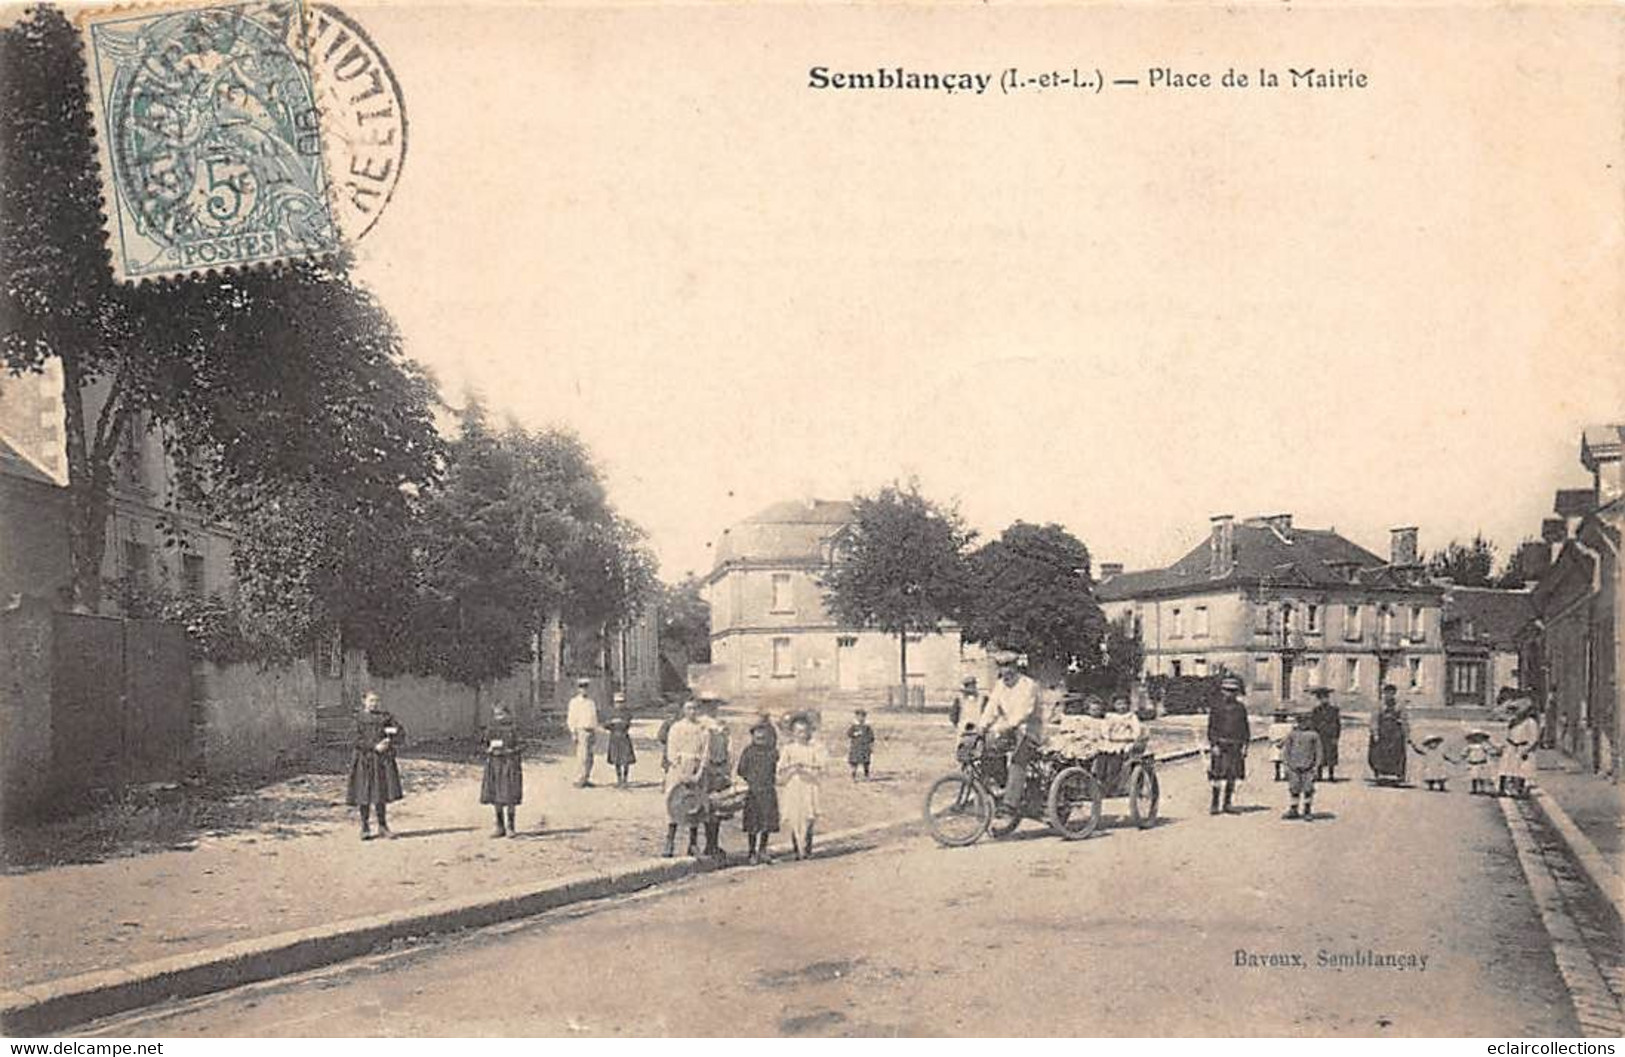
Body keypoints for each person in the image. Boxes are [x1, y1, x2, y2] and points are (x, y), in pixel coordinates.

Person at [981, 650, 1043, 809]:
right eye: (1001, 667)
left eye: (1008, 666)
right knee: (987, 750)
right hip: (1009, 732)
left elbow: (1024, 713)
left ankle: (1010, 803)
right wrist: (982, 726)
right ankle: (1000, 788)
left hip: (1029, 732)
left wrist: (1003, 727)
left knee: (1018, 760)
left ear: (1016, 666)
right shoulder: (1000, 685)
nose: (1004, 671)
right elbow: (991, 708)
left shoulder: (1028, 685)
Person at [347, 690, 404, 840]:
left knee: (380, 793)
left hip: (381, 761)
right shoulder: (358, 718)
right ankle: (365, 827)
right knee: (363, 793)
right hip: (364, 759)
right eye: (371, 701)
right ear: (364, 701)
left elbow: (400, 732)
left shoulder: (385, 717)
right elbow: (354, 739)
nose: (374, 704)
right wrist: (373, 746)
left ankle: (383, 826)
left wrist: (390, 739)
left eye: (376, 701)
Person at [661, 698, 707, 857]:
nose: (692, 712)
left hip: (695, 768)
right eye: (688, 708)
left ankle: (693, 844)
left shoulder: (702, 729)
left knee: (694, 805)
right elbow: (671, 752)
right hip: (678, 768)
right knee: (674, 803)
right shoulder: (676, 728)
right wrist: (680, 773)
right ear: (683, 710)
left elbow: (705, 753)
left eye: (695, 708)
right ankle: (669, 842)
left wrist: (698, 773)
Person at [779, 713, 827, 859]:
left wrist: (806, 768)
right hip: (794, 785)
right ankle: (797, 849)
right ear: (792, 733)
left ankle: (807, 848)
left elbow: (821, 767)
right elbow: (781, 768)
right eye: (798, 732)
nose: (802, 735)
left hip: (809, 785)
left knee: (808, 815)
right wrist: (792, 768)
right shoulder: (788, 749)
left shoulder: (814, 748)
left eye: (804, 731)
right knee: (795, 815)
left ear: (809, 731)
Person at [1206, 675, 1251, 815]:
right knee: (1217, 775)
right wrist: (1214, 745)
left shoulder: (1240, 708)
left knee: (1232, 775)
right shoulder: (1216, 707)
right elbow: (1211, 728)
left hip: (1235, 745)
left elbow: (1245, 728)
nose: (1229, 693)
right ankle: (1214, 804)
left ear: (1237, 692)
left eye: (1233, 691)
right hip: (1220, 744)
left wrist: (1245, 746)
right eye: (1226, 690)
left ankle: (1227, 803)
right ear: (1222, 691)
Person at [736, 722, 780, 864]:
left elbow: (778, 769)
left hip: (768, 791)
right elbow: (741, 770)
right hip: (753, 792)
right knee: (752, 824)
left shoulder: (772, 752)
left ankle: (763, 850)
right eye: (757, 733)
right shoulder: (748, 751)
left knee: (766, 822)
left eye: (763, 733)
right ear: (752, 735)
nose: (760, 736)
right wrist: (750, 780)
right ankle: (751, 852)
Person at [479, 703, 523, 837]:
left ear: (508, 714)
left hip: (509, 764)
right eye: (497, 715)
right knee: (496, 795)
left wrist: (510, 751)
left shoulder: (514, 729)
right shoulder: (491, 729)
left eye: (502, 714)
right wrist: (489, 750)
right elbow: (483, 744)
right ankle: (499, 826)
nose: (499, 718)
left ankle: (511, 826)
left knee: (509, 795)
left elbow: (522, 745)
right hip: (495, 764)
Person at [698, 692, 732, 859]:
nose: (712, 708)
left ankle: (714, 843)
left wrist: (727, 769)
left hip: (720, 767)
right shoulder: (701, 724)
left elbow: (727, 748)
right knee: (706, 807)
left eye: (714, 704)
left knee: (719, 808)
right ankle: (705, 844)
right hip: (707, 768)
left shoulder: (722, 725)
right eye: (708, 704)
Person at [1280, 709, 1325, 820]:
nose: (1303, 724)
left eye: (1305, 722)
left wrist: (1316, 766)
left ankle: (1307, 810)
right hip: (1294, 767)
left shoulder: (1314, 735)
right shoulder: (1292, 735)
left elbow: (1319, 752)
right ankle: (1293, 809)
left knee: (1308, 789)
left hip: (1308, 767)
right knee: (1294, 788)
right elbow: (1286, 751)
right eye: (1300, 722)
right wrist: (1286, 765)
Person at [1367, 685, 1409, 783]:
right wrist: (1375, 733)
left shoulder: (1399, 705)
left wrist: (1406, 734)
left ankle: (1398, 774)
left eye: (1391, 693)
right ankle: (1378, 772)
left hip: (1394, 732)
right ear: (1384, 694)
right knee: (1378, 752)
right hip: (1382, 732)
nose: (1389, 696)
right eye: (1387, 693)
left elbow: (1404, 720)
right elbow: (1374, 720)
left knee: (1397, 752)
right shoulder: (1378, 705)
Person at [1501, 702, 1541, 798]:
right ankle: (1505, 789)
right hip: (1511, 747)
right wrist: (1505, 745)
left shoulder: (1530, 722)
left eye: (1517, 710)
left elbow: (1534, 738)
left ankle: (1521, 789)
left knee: (1523, 770)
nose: (1515, 713)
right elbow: (1508, 735)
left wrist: (1527, 749)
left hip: (1523, 748)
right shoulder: (1513, 721)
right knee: (1507, 768)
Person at [566, 677, 600, 788]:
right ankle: (579, 779)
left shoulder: (591, 702)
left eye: (586, 688)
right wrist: (573, 732)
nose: (584, 690)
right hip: (581, 730)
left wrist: (595, 731)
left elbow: (594, 717)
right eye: (582, 688)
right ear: (578, 689)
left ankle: (586, 778)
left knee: (590, 757)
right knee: (582, 756)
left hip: (591, 730)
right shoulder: (574, 702)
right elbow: (571, 718)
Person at [1309, 687, 1342, 781]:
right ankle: (1319, 775)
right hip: (1319, 735)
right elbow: (1313, 723)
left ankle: (1331, 775)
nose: (1324, 700)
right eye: (1322, 698)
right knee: (1319, 754)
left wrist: (1336, 736)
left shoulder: (1334, 710)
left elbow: (1337, 723)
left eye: (1326, 697)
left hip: (1330, 735)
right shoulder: (1316, 710)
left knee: (1331, 754)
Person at [604, 693, 636, 788]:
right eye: (617, 702)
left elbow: (626, 724)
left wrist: (616, 722)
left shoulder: (627, 713)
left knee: (626, 760)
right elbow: (606, 725)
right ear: (614, 703)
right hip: (614, 737)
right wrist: (611, 723)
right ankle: (619, 779)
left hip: (624, 736)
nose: (619, 704)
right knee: (616, 760)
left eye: (621, 702)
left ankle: (625, 779)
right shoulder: (610, 713)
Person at [1463, 729, 1497, 795]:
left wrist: (1493, 752)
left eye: (1479, 736)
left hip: (1481, 763)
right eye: (1475, 736)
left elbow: (1489, 750)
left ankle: (1482, 789)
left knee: (1482, 777)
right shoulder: (1470, 746)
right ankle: (1474, 789)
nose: (1477, 738)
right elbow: (1465, 752)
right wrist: (1463, 756)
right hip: (1473, 763)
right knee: (1474, 777)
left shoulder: (1483, 745)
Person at [846, 709, 875, 781]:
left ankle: (866, 775)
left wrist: (870, 745)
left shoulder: (867, 727)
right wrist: (854, 734)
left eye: (862, 717)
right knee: (854, 762)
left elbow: (872, 737)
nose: (860, 718)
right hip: (856, 747)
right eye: (859, 716)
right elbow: (849, 734)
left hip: (865, 747)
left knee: (866, 762)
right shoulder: (854, 726)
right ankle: (853, 776)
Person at [1267, 708, 1294, 782]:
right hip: (1285, 743)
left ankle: (1278, 774)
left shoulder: (1273, 726)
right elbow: (1290, 735)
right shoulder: (1289, 726)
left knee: (1278, 761)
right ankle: (1284, 774)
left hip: (1276, 743)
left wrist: (1272, 742)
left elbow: (1270, 736)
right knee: (1285, 760)